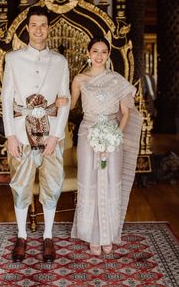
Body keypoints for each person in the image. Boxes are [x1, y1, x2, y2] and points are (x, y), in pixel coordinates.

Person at [1, 6, 70, 263]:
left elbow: (65, 98)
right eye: (34, 25)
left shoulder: (60, 62)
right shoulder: (13, 59)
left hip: (51, 134)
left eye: (43, 24)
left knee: (52, 185)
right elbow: (6, 98)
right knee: (20, 187)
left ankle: (48, 236)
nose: (39, 29)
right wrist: (9, 135)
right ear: (27, 28)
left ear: (48, 28)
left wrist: (56, 135)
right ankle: (22, 236)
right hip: (20, 133)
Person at [68, 36, 142, 255]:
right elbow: (72, 106)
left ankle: (107, 234)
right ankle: (92, 235)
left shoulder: (117, 80)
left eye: (104, 52)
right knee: (90, 180)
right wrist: (59, 101)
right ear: (88, 53)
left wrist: (114, 136)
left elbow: (126, 113)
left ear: (108, 54)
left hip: (112, 134)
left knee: (110, 181)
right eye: (95, 51)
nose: (99, 56)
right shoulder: (79, 79)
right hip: (87, 132)